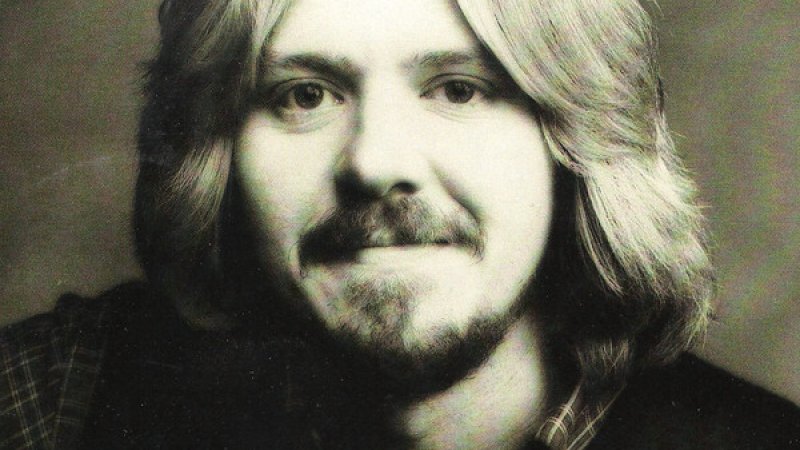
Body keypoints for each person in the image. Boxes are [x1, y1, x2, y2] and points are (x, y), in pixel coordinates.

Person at [2, 0, 798, 448]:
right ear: (218, 155)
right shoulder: (66, 394)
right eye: (304, 95)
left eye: (459, 89)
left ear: (575, 140)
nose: (376, 162)